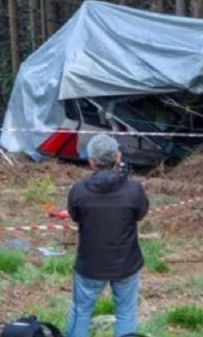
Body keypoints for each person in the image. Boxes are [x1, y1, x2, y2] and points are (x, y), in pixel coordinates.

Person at [66, 134, 149, 337]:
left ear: (91, 160)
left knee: (80, 311)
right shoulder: (134, 190)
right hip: (126, 263)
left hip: (90, 264)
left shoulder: (78, 190)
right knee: (126, 313)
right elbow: (141, 214)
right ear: (118, 157)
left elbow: (75, 216)